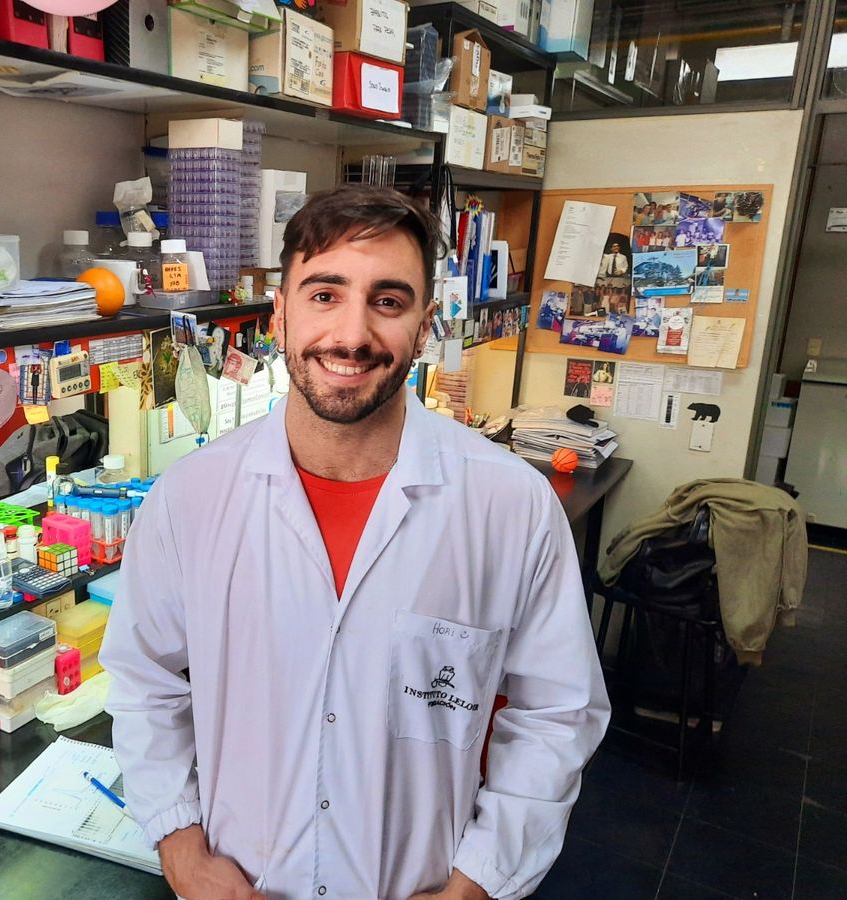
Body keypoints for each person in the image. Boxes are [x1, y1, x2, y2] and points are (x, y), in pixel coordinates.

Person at [101, 185, 610, 900]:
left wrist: (481, 881)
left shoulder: (509, 506)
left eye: (389, 302)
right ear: (278, 315)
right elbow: (143, 682)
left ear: (426, 326)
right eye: (324, 294)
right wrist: (180, 845)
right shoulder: (192, 499)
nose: (352, 335)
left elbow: (557, 714)